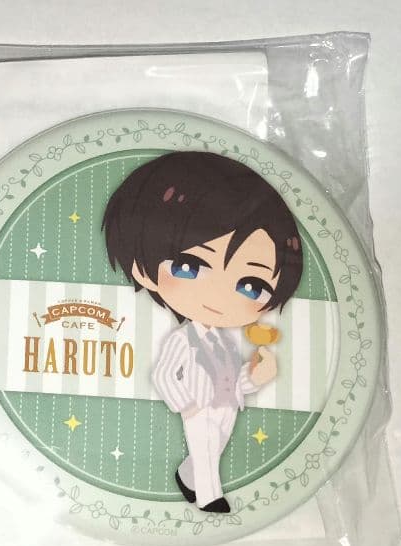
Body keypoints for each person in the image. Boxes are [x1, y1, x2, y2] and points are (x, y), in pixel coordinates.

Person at [102, 151, 303, 513]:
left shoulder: (227, 341)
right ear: (144, 270)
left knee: (211, 450)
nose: (217, 295)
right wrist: (187, 406)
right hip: (197, 407)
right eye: (189, 266)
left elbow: (231, 377)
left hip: (227, 406)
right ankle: (210, 499)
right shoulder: (183, 339)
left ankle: (187, 477)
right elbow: (164, 374)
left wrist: (255, 377)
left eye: (251, 286)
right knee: (206, 452)